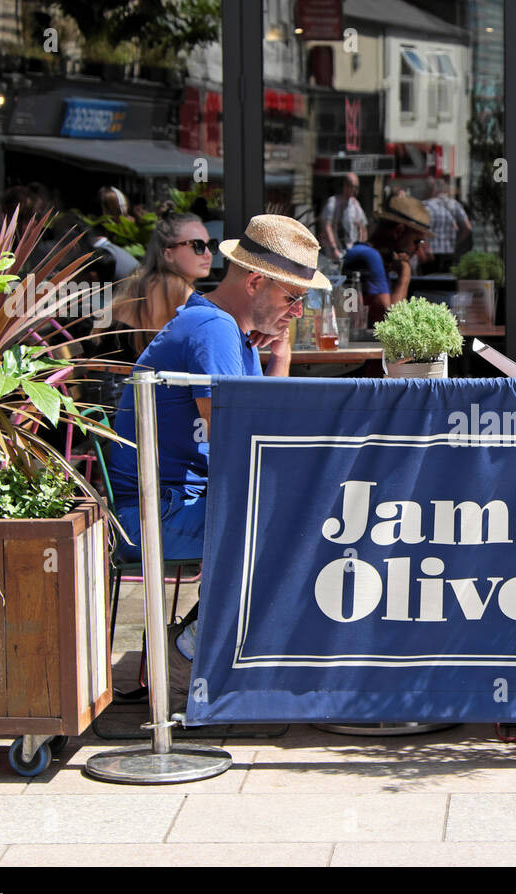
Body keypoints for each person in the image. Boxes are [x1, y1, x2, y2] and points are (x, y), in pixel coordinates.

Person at [109, 215, 328, 684]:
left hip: (174, 503)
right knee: (304, 526)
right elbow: (242, 443)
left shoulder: (229, 332)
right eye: (293, 298)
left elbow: (258, 433)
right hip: (155, 514)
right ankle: (188, 652)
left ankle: (212, 647)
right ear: (254, 281)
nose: (297, 312)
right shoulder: (215, 332)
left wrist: (281, 354)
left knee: (303, 515)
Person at [110, 210, 213, 363]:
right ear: (168, 254)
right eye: (197, 245)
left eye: (210, 245)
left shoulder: (137, 282)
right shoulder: (177, 289)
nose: (208, 254)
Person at [340, 194, 433, 327]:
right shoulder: (370, 256)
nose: (418, 249)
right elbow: (391, 320)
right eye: (416, 241)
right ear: (398, 231)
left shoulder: (369, 254)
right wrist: (405, 274)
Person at [425, 177, 471, 273]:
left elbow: (419, 229)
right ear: (445, 190)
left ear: (433, 190)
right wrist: (457, 242)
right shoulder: (454, 204)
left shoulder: (426, 205)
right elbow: (468, 227)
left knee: (427, 283)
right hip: (449, 252)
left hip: (429, 253)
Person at [319, 173, 367, 264]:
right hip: (336, 253)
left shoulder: (355, 205)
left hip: (351, 252)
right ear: (346, 186)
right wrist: (334, 249)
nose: (355, 190)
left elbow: (362, 226)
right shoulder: (333, 203)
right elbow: (327, 226)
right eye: (354, 187)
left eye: (357, 187)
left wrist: (360, 246)